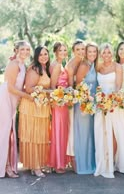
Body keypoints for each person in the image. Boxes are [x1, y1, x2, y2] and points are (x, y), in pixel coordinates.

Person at [94, 43, 124, 178]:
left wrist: (111, 102)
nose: (106, 55)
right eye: (104, 53)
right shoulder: (98, 67)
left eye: (109, 52)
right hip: (100, 105)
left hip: (114, 104)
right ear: (101, 54)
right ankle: (104, 162)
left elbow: (118, 86)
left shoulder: (117, 66)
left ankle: (114, 163)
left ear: (112, 53)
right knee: (102, 133)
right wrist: (101, 101)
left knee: (115, 133)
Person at [0, 40, 31, 178]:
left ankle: (8, 165)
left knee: (9, 133)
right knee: (4, 133)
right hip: (6, 99)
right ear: (16, 50)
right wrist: (26, 96)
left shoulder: (22, 65)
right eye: (22, 49)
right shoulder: (13, 65)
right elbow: (10, 87)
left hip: (13, 100)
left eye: (27, 50)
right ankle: (5, 167)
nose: (25, 52)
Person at [18, 46, 51, 177]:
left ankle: (36, 164)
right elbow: (29, 89)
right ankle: (35, 166)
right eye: (41, 54)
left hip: (41, 106)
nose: (44, 56)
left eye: (46, 54)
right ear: (36, 56)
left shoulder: (45, 68)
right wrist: (48, 92)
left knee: (39, 135)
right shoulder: (34, 68)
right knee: (33, 135)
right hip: (31, 107)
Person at [74, 42, 98, 174]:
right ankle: (83, 165)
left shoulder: (93, 65)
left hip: (92, 104)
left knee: (90, 134)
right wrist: (85, 102)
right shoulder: (84, 66)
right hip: (83, 104)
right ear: (86, 53)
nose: (92, 54)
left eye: (95, 52)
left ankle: (90, 162)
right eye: (90, 52)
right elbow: (78, 85)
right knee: (84, 134)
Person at [49, 41, 70, 173]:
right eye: (60, 50)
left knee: (61, 131)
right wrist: (59, 98)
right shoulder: (56, 65)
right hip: (59, 102)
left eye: (64, 50)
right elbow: (52, 86)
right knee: (59, 131)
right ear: (55, 52)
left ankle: (58, 161)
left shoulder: (59, 64)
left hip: (63, 101)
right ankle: (58, 164)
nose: (63, 53)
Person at [65, 40, 86, 168]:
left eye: (82, 49)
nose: (80, 52)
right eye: (77, 49)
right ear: (73, 51)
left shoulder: (84, 63)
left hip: (83, 99)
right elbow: (70, 86)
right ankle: (72, 158)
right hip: (73, 100)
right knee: (73, 128)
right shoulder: (71, 66)